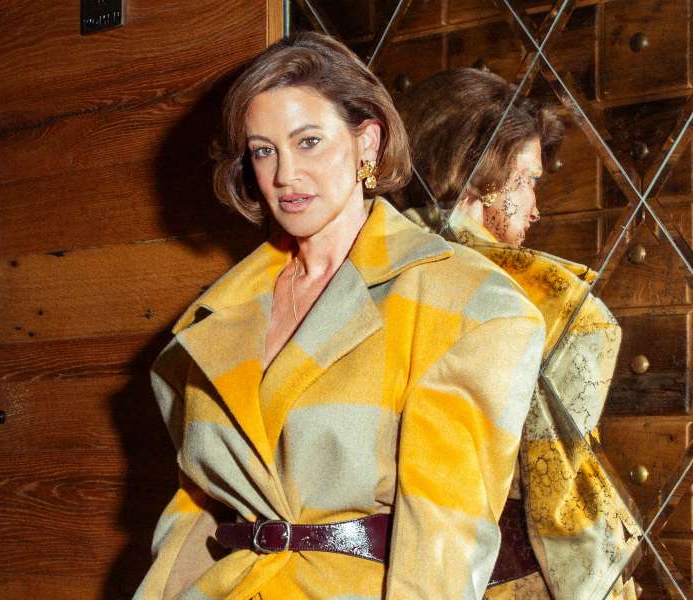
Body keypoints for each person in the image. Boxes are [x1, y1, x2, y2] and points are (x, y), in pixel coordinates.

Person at [133, 35, 546, 600]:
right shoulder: (220, 314)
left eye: (308, 142)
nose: (285, 174)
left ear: (366, 142)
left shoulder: (465, 304)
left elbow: (444, 542)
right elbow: (195, 506)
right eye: (263, 151)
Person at [395, 68, 641, 600]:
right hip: (505, 566)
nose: (536, 208)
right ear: (475, 172)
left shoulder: (376, 257)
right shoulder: (548, 295)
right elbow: (560, 481)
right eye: (525, 181)